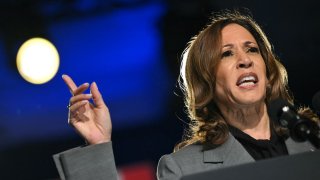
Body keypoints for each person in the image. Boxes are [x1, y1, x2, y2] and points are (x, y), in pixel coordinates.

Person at [53, 10, 318, 180]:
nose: (244, 60)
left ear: (268, 69)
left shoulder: (313, 138)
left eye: (252, 49)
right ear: (207, 82)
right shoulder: (184, 170)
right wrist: (98, 146)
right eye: (226, 53)